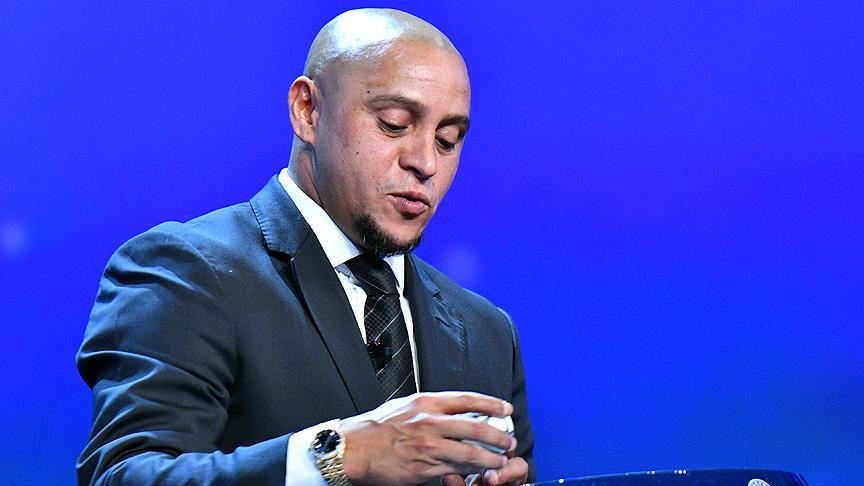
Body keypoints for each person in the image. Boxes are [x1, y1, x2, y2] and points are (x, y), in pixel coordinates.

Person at [77, 8, 534, 486]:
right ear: (307, 111)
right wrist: (339, 457)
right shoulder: (187, 271)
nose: (425, 162)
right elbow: (124, 476)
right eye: (394, 124)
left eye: (447, 140)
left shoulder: (488, 333)